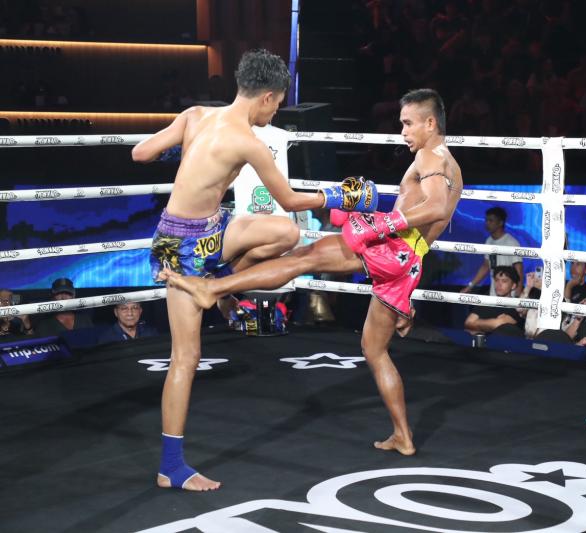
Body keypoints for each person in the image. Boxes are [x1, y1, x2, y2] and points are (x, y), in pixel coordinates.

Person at [165, 88, 462, 458]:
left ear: (430, 123)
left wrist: (382, 224)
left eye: (408, 123)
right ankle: (403, 436)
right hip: (409, 261)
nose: (402, 132)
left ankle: (214, 289)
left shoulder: (430, 156)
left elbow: (435, 207)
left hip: (392, 247)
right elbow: (432, 214)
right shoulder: (450, 163)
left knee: (302, 258)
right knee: (373, 349)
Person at [133, 49, 380, 491]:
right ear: (266, 97)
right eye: (278, 104)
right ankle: (171, 467)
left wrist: (191, 158)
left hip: (211, 229)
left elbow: (141, 153)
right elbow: (291, 199)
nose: (276, 112)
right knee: (186, 357)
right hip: (181, 249)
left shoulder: (195, 115)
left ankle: (219, 286)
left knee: (284, 233)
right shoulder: (248, 142)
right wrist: (341, 196)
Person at [461, 207, 523, 296]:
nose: (487, 223)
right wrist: (470, 286)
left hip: (510, 295)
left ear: (500, 222)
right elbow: (486, 266)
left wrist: (518, 292)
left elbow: (519, 268)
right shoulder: (488, 241)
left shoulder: (511, 242)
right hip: (494, 293)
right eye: (486, 220)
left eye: (491, 220)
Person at [464, 267, 525, 337]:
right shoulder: (486, 301)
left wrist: (477, 324)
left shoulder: (517, 306)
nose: (499, 284)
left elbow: (502, 325)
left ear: (513, 285)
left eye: (504, 281)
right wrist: (495, 323)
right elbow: (468, 323)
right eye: (496, 280)